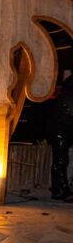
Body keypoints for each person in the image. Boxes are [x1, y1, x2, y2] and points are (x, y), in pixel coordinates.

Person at [46, 70, 73, 202]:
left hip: (62, 125)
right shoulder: (69, 87)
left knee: (59, 160)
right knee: (61, 160)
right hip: (61, 126)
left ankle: (57, 189)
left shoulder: (67, 86)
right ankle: (63, 190)